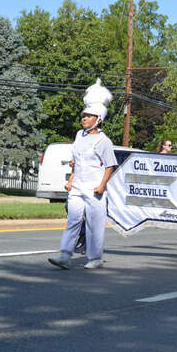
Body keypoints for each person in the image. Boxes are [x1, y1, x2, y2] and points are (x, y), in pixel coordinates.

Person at [49, 79, 117, 270]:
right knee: (73, 220)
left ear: (98, 119)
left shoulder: (104, 141)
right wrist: (71, 180)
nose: (84, 118)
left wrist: (102, 186)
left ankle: (95, 258)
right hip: (77, 186)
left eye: (88, 116)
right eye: (83, 116)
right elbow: (76, 161)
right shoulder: (79, 135)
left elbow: (109, 166)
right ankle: (65, 255)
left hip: (94, 188)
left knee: (94, 225)